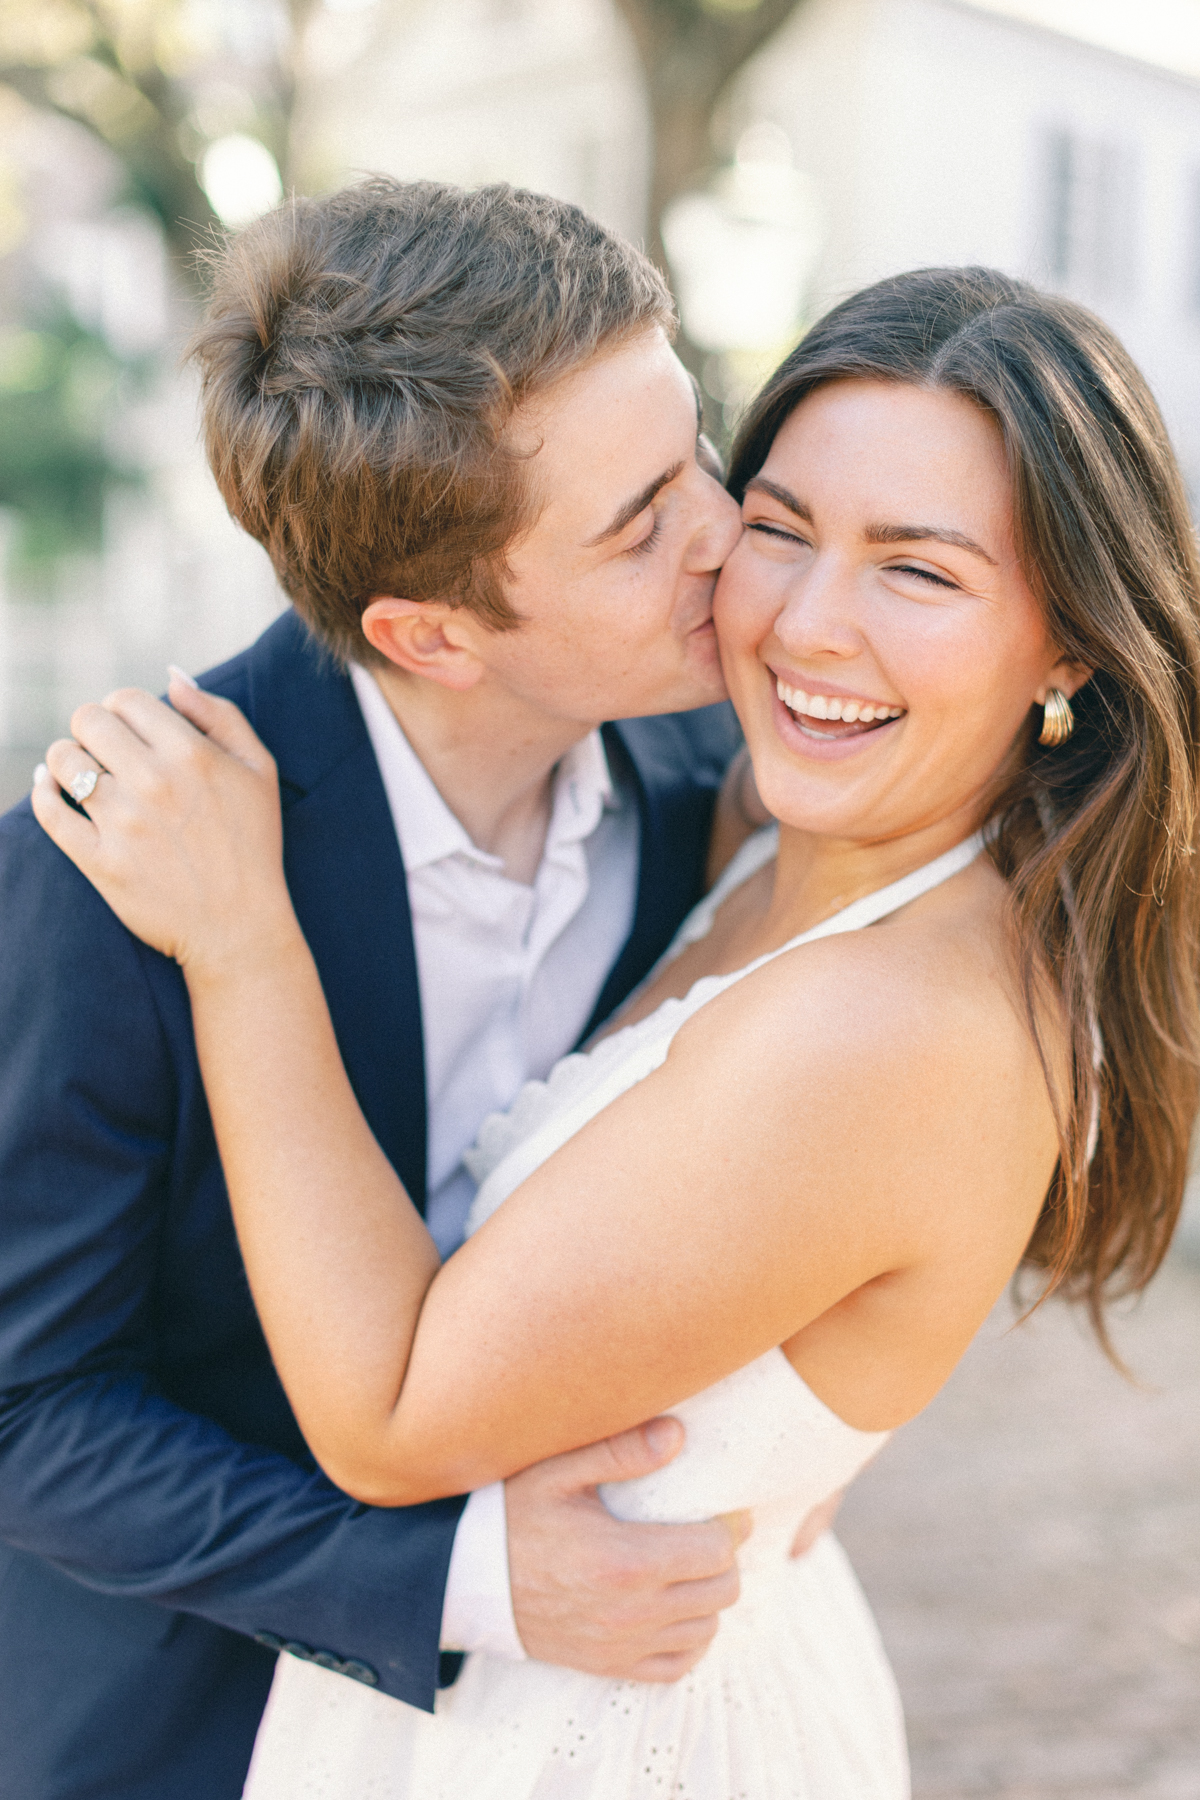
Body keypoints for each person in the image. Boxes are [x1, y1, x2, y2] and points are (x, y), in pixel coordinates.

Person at [36, 264, 1200, 1797]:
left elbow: (394, 1424)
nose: (800, 622)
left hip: (618, 1730)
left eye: (918, 571)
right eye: (778, 522)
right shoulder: (743, 814)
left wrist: (245, 943)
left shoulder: (895, 1021)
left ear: (1071, 646)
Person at [0, 179, 790, 1800]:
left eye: (695, 450)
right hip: (195, 1737)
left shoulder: (710, 781)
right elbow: (31, 1411)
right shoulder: (104, 866)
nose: (727, 531)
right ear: (431, 632)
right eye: (641, 523)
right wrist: (467, 1584)